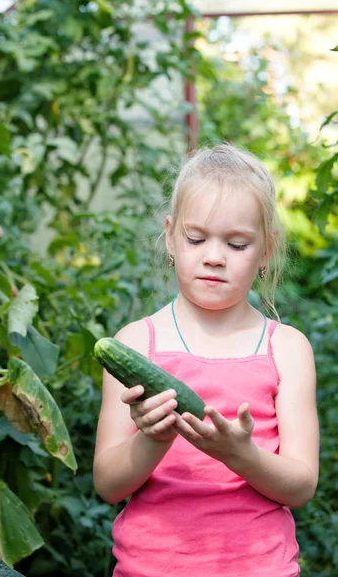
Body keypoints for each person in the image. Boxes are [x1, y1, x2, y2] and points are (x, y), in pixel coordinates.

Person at [93, 143, 319, 577]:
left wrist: (239, 455)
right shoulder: (136, 343)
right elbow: (108, 484)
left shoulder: (287, 348)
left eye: (237, 244)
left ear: (266, 250)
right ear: (171, 236)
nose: (214, 256)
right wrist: (153, 439)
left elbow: (302, 484)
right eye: (196, 239)